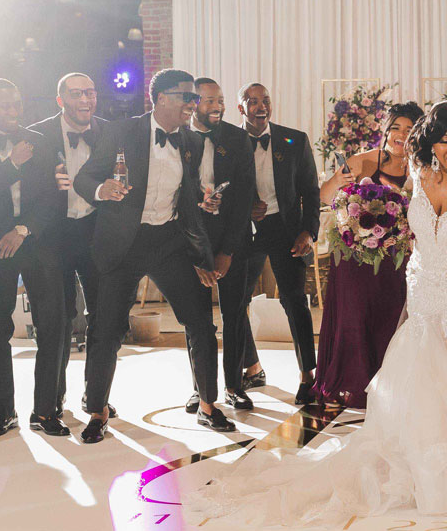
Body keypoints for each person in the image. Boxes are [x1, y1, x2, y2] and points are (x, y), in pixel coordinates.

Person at [189, 100, 447, 526]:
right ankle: (429, 467)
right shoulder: (419, 169)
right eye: (446, 140)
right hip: (425, 291)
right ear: (430, 142)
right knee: (428, 386)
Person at [73, 69, 218, 440]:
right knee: (105, 328)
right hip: (123, 243)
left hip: (170, 242)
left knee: (200, 320)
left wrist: (202, 253)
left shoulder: (193, 142)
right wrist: (101, 189)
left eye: (195, 98)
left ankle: (207, 403)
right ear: (162, 98)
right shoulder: (120, 131)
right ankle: (97, 410)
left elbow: (188, 203)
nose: (193, 104)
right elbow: (84, 178)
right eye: (187, 96)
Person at [0, 78, 68, 439]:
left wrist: (24, 230)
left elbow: (53, 197)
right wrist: (9, 164)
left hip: (38, 243)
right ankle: (4, 410)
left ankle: (45, 411)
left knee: (51, 327)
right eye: (5, 105)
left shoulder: (39, 140)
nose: (13, 111)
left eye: (17, 104)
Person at [312, 101, 423, 407]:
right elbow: (325, 196)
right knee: (356, 317)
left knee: (391, 317)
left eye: (410, 129)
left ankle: (387, 385)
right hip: (355, 258)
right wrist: (339, 182)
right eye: (396, 128)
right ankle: (352, 384)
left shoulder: (422, 168)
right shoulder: (363, 161)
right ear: (386, 131)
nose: (401, 135)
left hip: (397, 259)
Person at [228, 83, 320, 399]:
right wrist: (241, 210)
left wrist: (309, 231)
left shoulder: (294, 140)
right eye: (252, 102)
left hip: (286, 231)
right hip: (244, 232)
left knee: (295, 302)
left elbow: (311, 191)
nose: (260, 106)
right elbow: (216, 189)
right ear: (240, 108)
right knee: (236, 303)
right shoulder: (226, 143)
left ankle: (308, 375)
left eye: (265, 100)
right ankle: (252, 368)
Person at [30, 72, 109, 421]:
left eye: (90, 93)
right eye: (77, 94)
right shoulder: (38, 135)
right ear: (60, 99)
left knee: (102, 318)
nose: (85, 100)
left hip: (95, 234)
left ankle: (96, 397)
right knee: (56, 321)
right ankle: (49, 403)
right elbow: (25, 189)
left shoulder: (109, 132)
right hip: (52, 237)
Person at [179, 77, 258, 415]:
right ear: (193, 103)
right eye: (209, 100)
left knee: (235, 314)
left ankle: (234, 386)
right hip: (191, 241)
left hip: (233, 239)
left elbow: (243, 198)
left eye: (220, 100)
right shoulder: (178, 138)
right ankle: (201, 388)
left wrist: (228, 251)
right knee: (197, 320)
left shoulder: (238, 138)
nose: (217, 106)